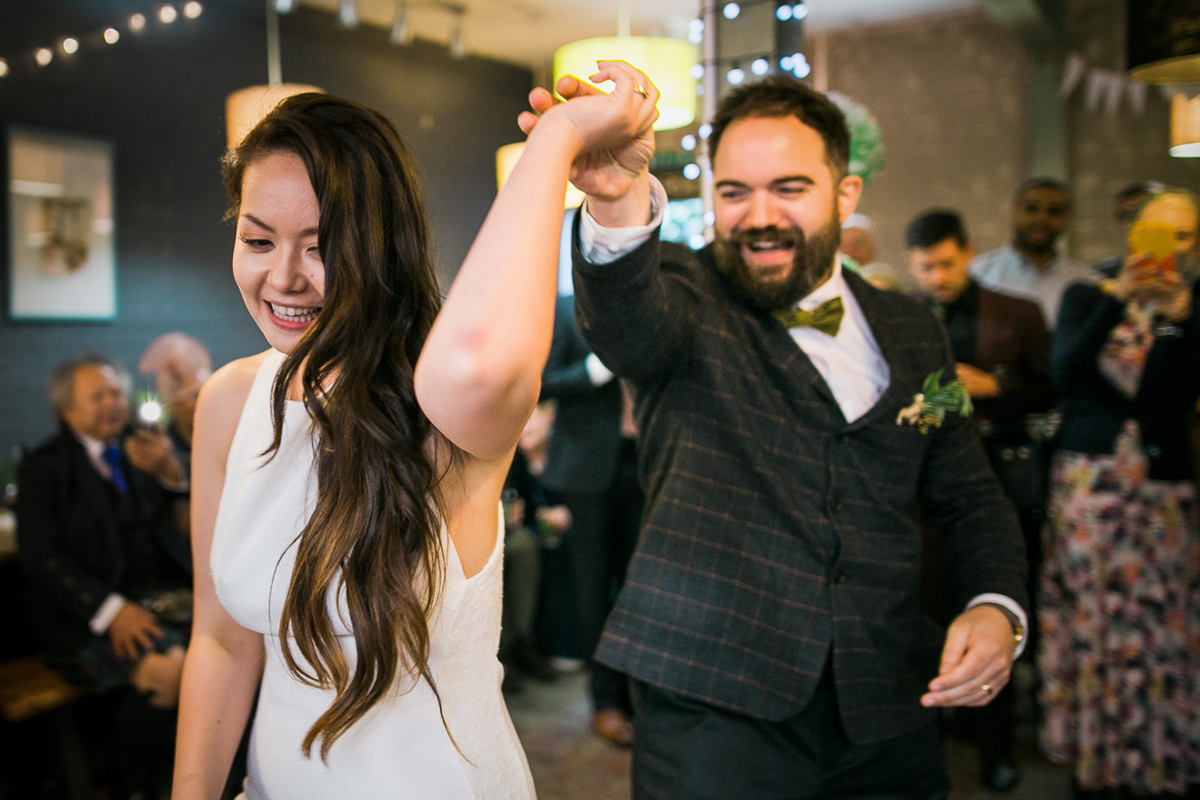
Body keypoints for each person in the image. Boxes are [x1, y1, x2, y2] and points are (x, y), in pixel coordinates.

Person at [522, 73, 1029, 798]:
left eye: (789, 188)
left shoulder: (916, 332)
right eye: (734, 193)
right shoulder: (684, 296)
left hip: (890, 704)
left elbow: (969, 495)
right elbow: (628, 322)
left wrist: (993, 605)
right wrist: (613, 197)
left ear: (845, 196)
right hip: (714, 708)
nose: (760, 216)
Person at [172, 63, 659, 800]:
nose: (284, 279)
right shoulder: (229, 400)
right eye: (258, 240)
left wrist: (555, 143)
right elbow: (221, 640)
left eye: (320, 243)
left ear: (381, 244)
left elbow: (482, 367)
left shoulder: (439, 406)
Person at [1039, 189, 1200, 798]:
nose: (1170, 247)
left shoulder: (1194, 307)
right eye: (1158, 233)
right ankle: (1097, 758)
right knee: (1093, 618)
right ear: (1134, 234)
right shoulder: (1088, 294)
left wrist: (1183, 320)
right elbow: (1065, 374)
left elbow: (1175, 396)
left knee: (1163, 621)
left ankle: (1161, 758)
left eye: (1184, 236)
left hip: (1163, 490)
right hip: (1089, 486)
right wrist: (1120, 302)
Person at [906, 209, 1054, 792]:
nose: (937, 277)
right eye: (926, 267)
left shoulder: (1016, 312)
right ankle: (934, 738)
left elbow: (1054, 386)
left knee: (993, 609)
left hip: (1003, 478)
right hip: (922, 496)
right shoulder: (904, 319)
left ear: (968, 253)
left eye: (946, 263)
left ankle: (996, 744)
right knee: (931, 615)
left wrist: (997, 388)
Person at [17, 355, 193, 799]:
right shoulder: (44, 467)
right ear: (66, 410)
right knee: (171, 673)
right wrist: (111, 611)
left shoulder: (139, 450)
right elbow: (41, 560)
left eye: (117, 392)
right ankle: (129, 786)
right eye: (98, 395)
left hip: (151, 604)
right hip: (78, 620)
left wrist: (169, 473)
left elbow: (172, 533)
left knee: (220, 653)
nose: (112, 403)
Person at [540, 292, 644, 745]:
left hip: (644, 460)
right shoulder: (566, 308)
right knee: (592, 587)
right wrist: (593, 371)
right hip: (587, 468)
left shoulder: (651, 306)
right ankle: (605, 702)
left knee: (641, 586)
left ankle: (640, 694)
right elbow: (542, 381)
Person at [971, 178, 1093, 327]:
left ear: (1066, 219)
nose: (1041, 218)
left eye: (1054, 211)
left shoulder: (1086, 282)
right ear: (1014, 210)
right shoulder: (977, 274)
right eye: (1031, 208)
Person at [1092, 181, 1166, 278]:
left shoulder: (1185, 280)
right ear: (1118, 222)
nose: (1138, 223)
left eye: (1147, 214)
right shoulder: (1097, 278)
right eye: (1129, 214)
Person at [841, 212, 902, 291]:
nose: (850, 252)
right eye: (843, 245)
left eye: (858, 244)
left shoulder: (885, 283)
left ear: (873, 248)